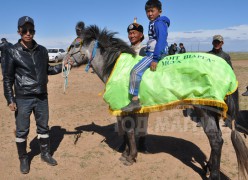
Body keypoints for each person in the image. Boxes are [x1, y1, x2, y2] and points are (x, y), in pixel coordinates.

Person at [2, 16, 63, 174]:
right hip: (23, 98)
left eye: (31, 30)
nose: (28, 33)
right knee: (22, 130)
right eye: (25, 30)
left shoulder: (42, 50)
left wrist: (63, 66)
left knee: (43, 127)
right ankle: (23, 158)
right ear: (19, 31)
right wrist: (10, 99)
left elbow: (47, 70)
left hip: (42, 96)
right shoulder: (11, 51)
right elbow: (7, 78)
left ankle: (45, 154)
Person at [121, 0, 170, 112]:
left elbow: (161, 40)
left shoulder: (158, 23)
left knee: (135, 71)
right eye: (147, 11)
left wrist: (155, 58)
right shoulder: (155, 23)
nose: (150, 14)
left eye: (152, 11)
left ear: (159, 11)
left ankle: (134, 101)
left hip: (154, 55)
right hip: (153, 53)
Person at [118, 19, 149, 153]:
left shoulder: (145, 50)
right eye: (130, 33)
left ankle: (141, 143)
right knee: (124, 117)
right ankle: (125, 142)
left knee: (142, 116)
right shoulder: (125, 51)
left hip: (141, 89)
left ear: (141, 35)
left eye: (134, 33)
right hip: (126, 90)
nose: (131, 36)